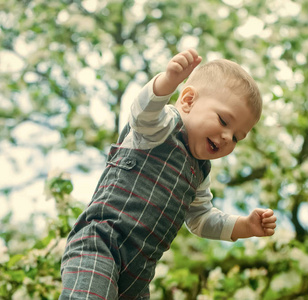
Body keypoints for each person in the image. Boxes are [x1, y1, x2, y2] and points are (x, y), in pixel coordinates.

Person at [60, 49, 277, 299]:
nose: (228, 137)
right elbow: (142, 115)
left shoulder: (200, 171)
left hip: (140, 271)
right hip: (101, 243)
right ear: (187, 101)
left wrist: (243, 226)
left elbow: (201, 219)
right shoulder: (162, 127)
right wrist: (167, 82)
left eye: (237, 137)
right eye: (224, 121)